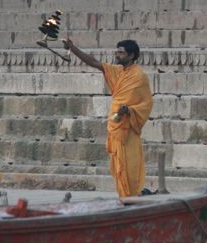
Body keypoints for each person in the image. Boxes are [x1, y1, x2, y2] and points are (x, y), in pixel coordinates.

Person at [63, 38, 154, 197]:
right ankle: (125, 196)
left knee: (130, 165)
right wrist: (73, 48)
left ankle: (133, 195)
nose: (117, 55)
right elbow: (94, 62)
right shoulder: (116, 71)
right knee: (119, 165)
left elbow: (146, 103)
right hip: (115, 124)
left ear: (131, 55)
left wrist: (130, 111)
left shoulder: (140, 77)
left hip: (129, 127)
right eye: (117, 52)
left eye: (121, 53)